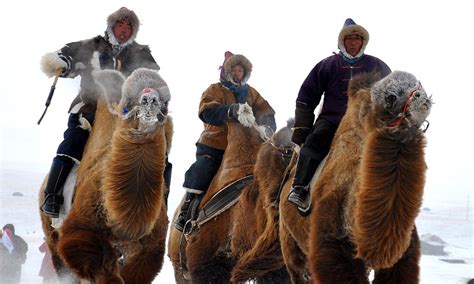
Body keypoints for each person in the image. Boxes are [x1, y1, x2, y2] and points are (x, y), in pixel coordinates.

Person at [39, 7, 171, 218]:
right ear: (112, 25)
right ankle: (52, 195)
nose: (124, 29)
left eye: (129, 26)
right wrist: (62, 61)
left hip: (127, 112)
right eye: (120, 24)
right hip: (90, 105)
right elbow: (67, 54)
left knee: (158, 143)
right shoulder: (92, 46)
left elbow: (150, 76)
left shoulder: (140, 53)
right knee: (74, 138)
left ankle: (159, 204)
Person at [287, 18, 391, 212]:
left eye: (357, 38)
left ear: (363, 42)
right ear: (342, 42)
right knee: (315, 141)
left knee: (389, 149)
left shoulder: (377, 66)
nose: (353, 43)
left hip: (365, 122)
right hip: (332, 119)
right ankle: (299, 188)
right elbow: (306, 98)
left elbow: (391, 95)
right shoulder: (327, 65)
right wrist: (302, 131)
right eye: (348, 39)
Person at [174, 51, 277, 232]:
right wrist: (231, 111)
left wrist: (267, 127)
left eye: (240, 70)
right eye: (234, 70)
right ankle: (187, 210)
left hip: (249, 146)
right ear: (227, 71)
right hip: (216, 143)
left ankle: (275, 208)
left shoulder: (251, 93)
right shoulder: (215, 90)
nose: (238, 73)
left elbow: (266, 111)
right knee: (203, 168)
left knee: (272, 168)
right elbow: (206, 112)